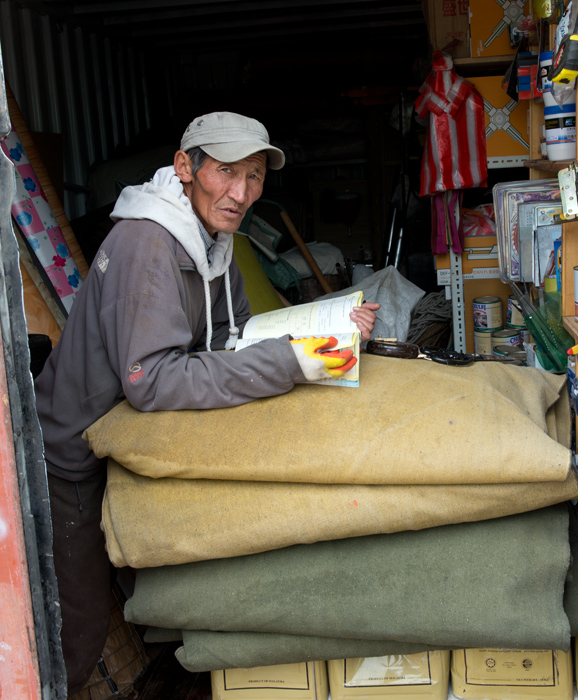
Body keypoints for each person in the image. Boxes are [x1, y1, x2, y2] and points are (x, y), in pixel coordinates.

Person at [33, 111, 380, 694]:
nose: (241, 193)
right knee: (77, 627)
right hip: (72, 460)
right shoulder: (149, 244)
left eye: (254, 176)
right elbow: (153, 380)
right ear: (185, 169)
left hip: (130, 452)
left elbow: (234, 333)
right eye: (226, 172)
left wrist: (332, 325)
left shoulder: (214, 243)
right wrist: (292, 362)